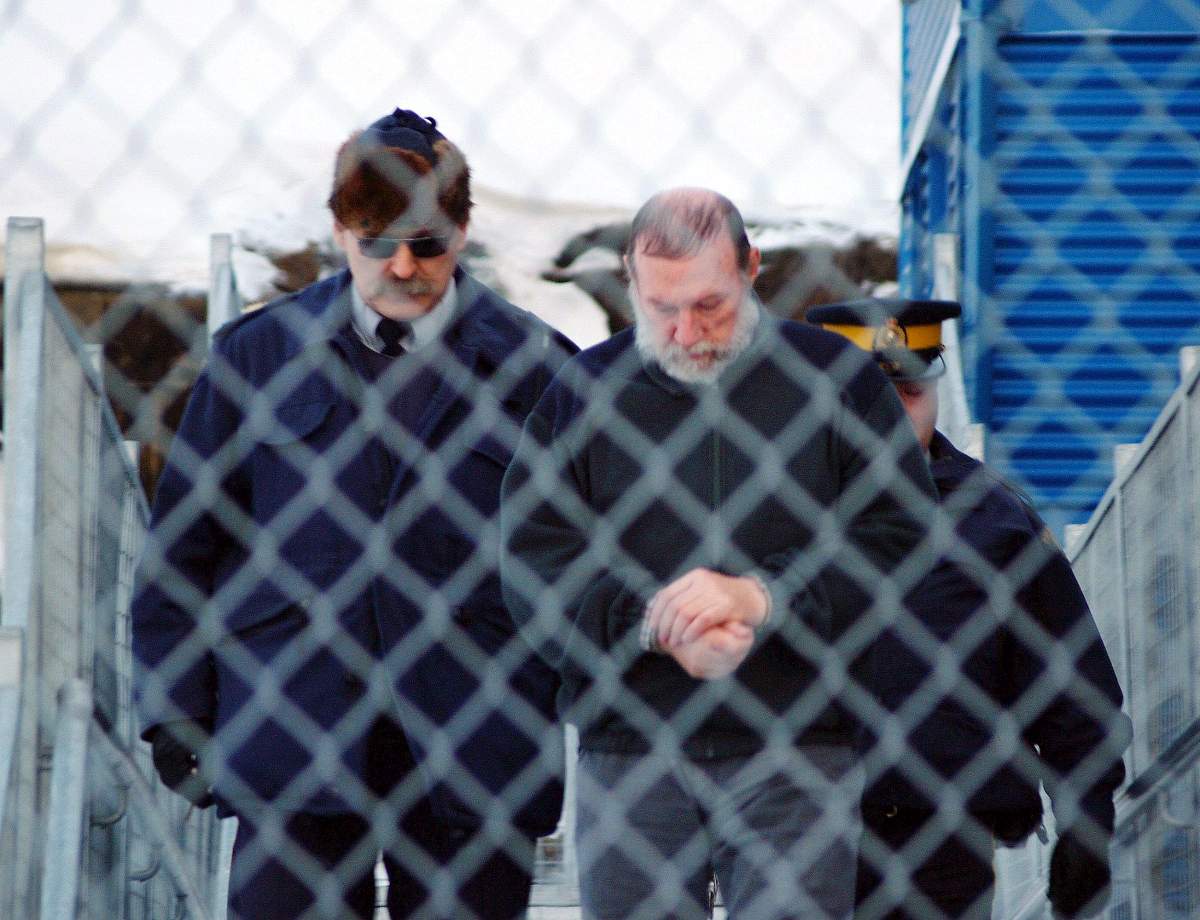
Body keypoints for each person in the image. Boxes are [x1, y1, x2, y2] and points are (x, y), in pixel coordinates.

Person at [132, 108, 575, 919]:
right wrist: (176, 708)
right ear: (340, 232)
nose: (403, 266)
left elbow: (581, 552)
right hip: (295, 729)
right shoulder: (257, 357)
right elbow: (186, 548)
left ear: (463, 231)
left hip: (473, 738)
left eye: (428, 244)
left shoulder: (537, 367)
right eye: (377, 244)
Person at [499, 188, 939, 919]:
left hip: (799, 744)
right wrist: (654, 623)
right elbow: (533, 560)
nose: (685, 331)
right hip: (630, 748)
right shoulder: (582, 392)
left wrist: (765, 598)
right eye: (660, 307)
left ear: (751, 269)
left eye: (710, 305)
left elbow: (900, 536)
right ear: (631, 282)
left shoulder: (834, 378)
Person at [807, 298, 1131, 920]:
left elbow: (1069, 686)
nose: (892, 413)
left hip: (941, 843)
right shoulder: (775, 507)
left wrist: (1087, 824)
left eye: (909, 391)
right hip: (793, 826)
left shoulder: (994, 518)